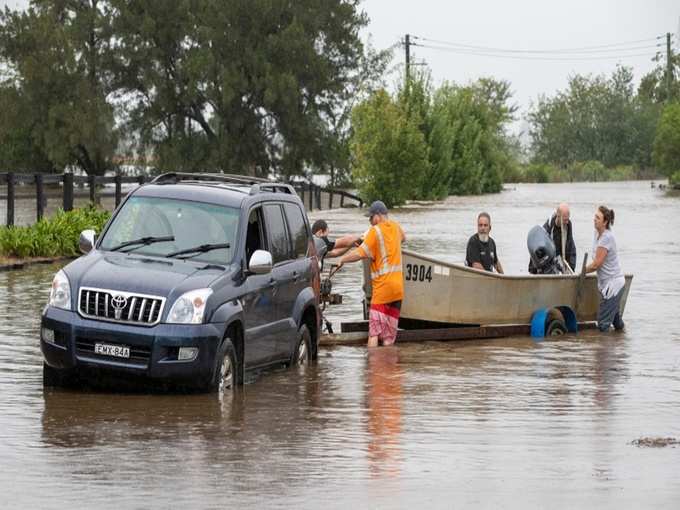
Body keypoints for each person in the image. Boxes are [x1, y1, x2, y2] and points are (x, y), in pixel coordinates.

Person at [336, 200, 406, 347]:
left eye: (371, 217)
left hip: (382, 291)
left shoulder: (375, 232)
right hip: (398, 291)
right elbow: (403, 239)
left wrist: (342, 259)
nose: (369, 221)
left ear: (379, 215)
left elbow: (359, 254)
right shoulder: (397, 227)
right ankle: (388, 367)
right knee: (388, 337)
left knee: (374, 333)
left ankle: (372, 368)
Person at [585, 205, 625, 332]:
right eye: (594, 216)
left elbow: (597, 264)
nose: (594, 219)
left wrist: (582, 271)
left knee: (602, 324)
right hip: (607, 284)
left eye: (598, 217)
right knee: (616, 322)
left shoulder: (607, 237)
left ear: (605, 222)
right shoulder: (597, 233)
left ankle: (604, 351)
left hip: (613, 285)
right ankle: (622, 343)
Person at [528, 203, 576, 274]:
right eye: (565, 220)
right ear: (558, 216)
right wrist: (533, 270)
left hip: (559, 255)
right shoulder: (548, 228)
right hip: (549, 258)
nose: (567, 222)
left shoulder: (567, 226)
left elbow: (570, 247)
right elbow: (538, 248)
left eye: (568, 219)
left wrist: (571, 268)